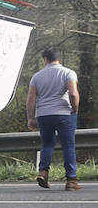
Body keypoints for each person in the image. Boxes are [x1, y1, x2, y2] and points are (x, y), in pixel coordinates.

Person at [27, 46, 81, 191]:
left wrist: (30, 117)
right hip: (64, 113)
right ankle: (71, 180)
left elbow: (31, 98)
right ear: (58, 58)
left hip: (43, 114)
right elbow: (73, 94)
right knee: (68, 146)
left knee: (47, 144)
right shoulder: (68, 73)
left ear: (45, 59)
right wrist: (74, 109)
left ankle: (43, 172)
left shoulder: (36, 76)